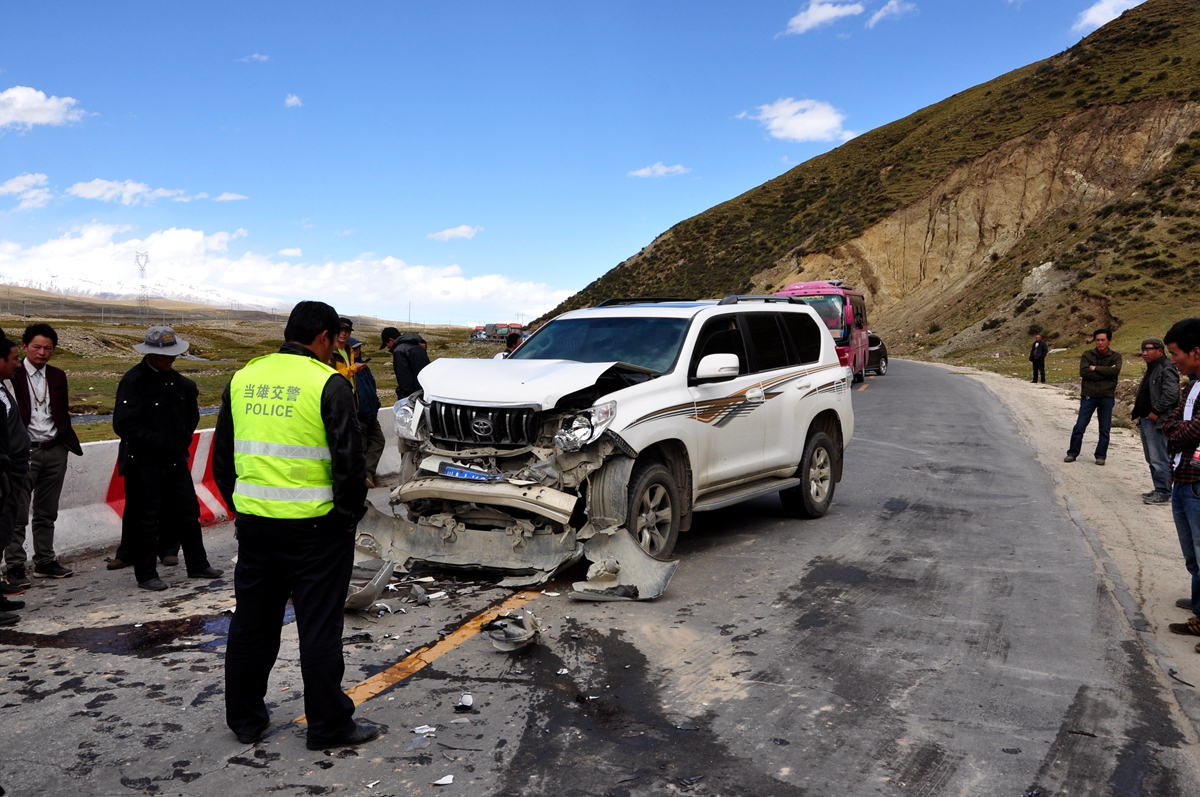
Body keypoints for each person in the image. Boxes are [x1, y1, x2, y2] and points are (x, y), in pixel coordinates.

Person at [213, 300, 377, 750]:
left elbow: (223, 460)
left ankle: (245, 720)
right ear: (324, 338)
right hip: (317, 532)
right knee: (319, 630)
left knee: (252, 625)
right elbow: (349, 463)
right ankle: (328, 727)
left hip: (256, 527)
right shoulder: (327, 383)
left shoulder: (243, 378)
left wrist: (243, 508)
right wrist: (347, 520)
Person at [109, 327, 224, 590]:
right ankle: (146, 574)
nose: (171, 359)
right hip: (144, 463)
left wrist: (180, 441)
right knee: (146, 518)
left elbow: (190, 417)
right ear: (150, 354)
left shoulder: (181, 383)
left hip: (175, 460)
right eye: (165, 355)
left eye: (173, 354)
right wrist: (158, 442)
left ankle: (198, 564)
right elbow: (124, 424)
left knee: (188, 511)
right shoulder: (133, 381)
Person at [3, 323, 83, 587]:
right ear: (24, 347)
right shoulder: (11, 373)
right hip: (25, 452)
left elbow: (62, 412)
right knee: (17, 511)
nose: (42, 353)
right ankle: (14, 565)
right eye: (36, 347)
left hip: (54, 449)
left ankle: (45, 561)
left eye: (48, 348)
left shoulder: (58, 376)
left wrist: (63, 442)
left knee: (47, 512)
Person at [1160, 319, 1200, 648]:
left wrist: (1174, 431)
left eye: (1175, 354)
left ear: (1196, 352)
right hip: (1183, 478)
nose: (1173, 360)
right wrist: (1176, 430)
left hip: (1197, 482)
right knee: (1193, 556)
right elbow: (1174, 419)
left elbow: (1184, 431)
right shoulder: (1192, 385)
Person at [0, 338, 29, 623]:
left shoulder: (3, 387)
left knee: (4, 530)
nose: (18, 363)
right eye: (13, 358)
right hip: (4, 472)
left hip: (11, 472)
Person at [1132, 337, 1180, 506]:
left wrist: (1156, 410)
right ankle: (1159, 488)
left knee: (1159, 457)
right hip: (1146, 420)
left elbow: (1172, 393)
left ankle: (1164, 492)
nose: (1145, 353)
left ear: (1160, 351)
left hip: (1157, 421)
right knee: (1151, 457)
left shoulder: (1165, 368)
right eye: (1143, 350)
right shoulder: (1153, 368)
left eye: (1149, 349)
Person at [1065, 328, 1122, 466]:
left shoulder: (1116, 356)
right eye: (1098, 340)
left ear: (1109, 341)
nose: (1100, 342)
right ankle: (1072, 453)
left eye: (1103, 340)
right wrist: (1105, 373)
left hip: (1107, 396)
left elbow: (1115, 372)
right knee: (1080, 426)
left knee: (1104, 428)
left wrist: (1095, 368)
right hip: (1089, 395)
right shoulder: (1087, 354)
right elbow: (1084, 372)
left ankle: (1101, 456)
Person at [349, 338, 384, 486]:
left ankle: (369, 473)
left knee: (378, 441)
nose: (357, 351)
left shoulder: (364, 367)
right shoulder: (349, 369)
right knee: (362, 446)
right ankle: (366, 476)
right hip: (359, 414)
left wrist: (376, 404)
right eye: (353, 349)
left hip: (371, 413)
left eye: (358, 348)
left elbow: (371, 388)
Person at [389, 331, 430, 399]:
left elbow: (404, 378)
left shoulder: (399, 350)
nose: (388, 347)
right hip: (425, 390)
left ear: (391, 340)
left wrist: (404, 398)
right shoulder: (418, 346)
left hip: (413, 396)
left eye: (386, 344)